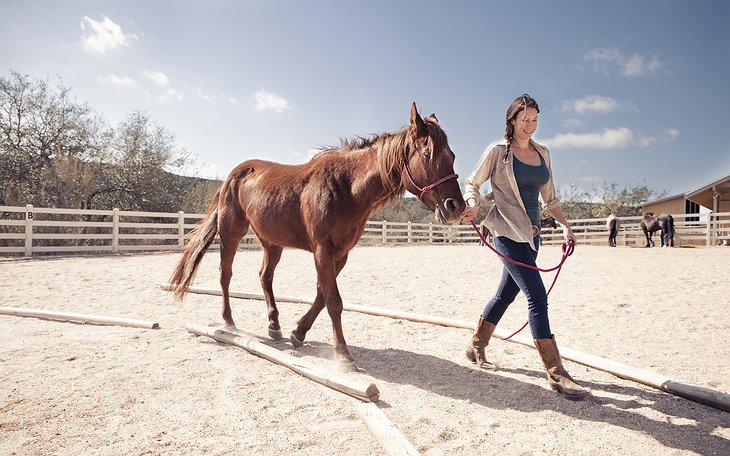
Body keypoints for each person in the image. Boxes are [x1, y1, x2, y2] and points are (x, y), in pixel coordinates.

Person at [461, 94, 590, 400]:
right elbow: (472, 183)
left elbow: (551, 199)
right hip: (506, 232)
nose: (530, 125)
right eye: (524, 119)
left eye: (535, 119)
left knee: (505, 294)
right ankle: (556, 373)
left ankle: (475, 344)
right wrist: (472, 205)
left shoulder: (543, 152)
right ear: (512, 120)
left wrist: (565, 225)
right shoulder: (498, 152)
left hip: (532, 236)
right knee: (536, 296)